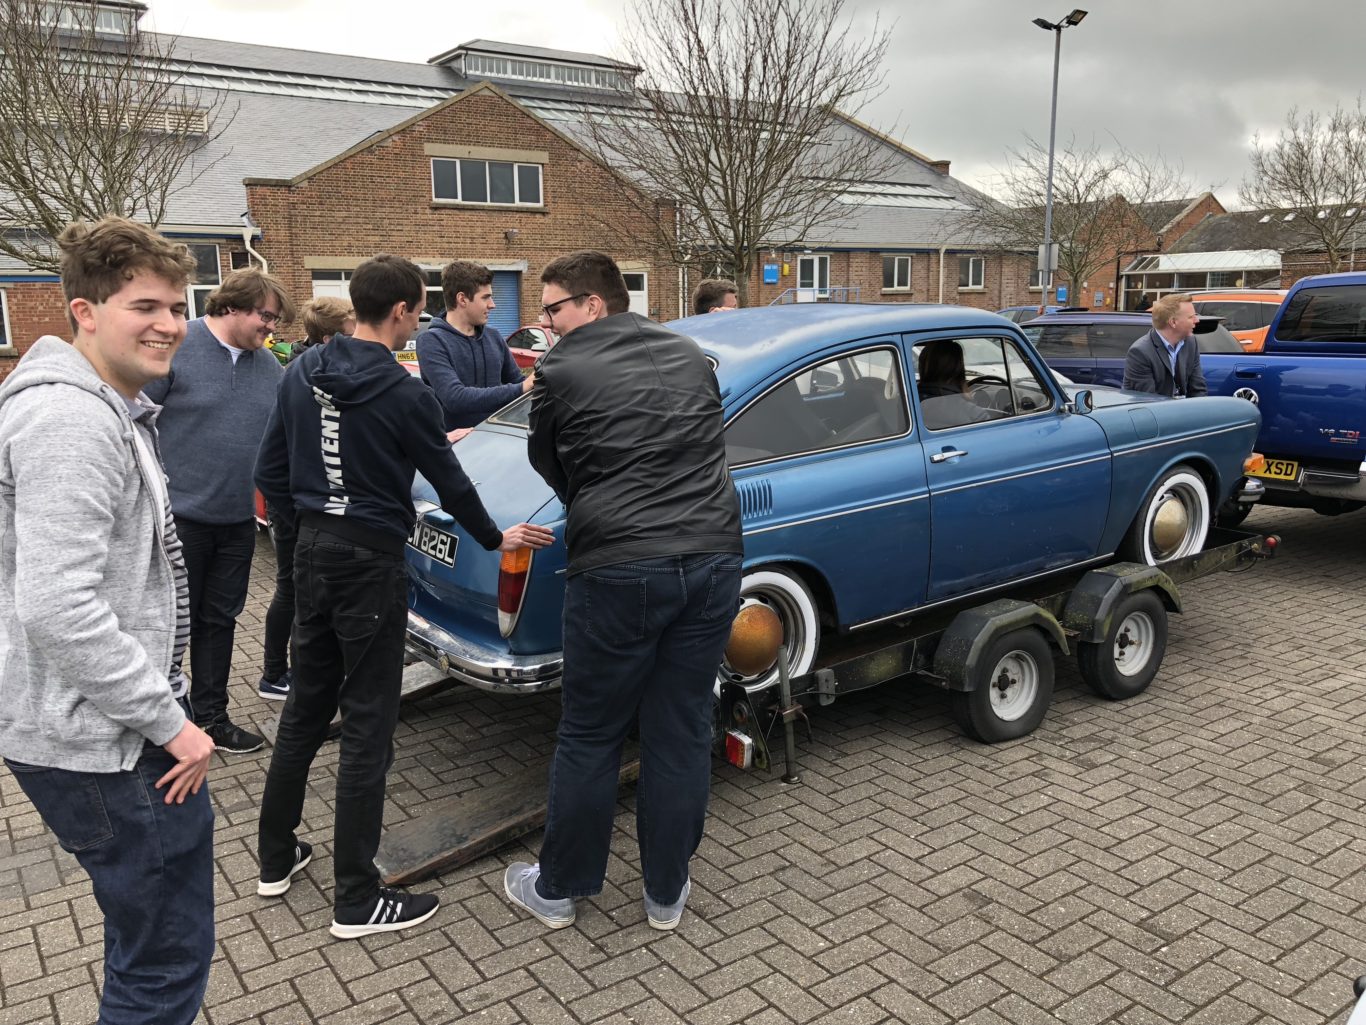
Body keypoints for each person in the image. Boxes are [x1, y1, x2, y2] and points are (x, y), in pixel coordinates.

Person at [254, 254, 553, 939]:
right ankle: (356, 897)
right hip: (368, 563)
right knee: (367, 726)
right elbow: (450, 480)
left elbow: (271, 466)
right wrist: (496, 537)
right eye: (418, 312)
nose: (419, 323)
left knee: (305, 708)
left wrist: (304, 540)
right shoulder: (403, 392)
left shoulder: (301, 370)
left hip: (312, 554)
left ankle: (276, 856)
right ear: (398, 313)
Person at [0, 217, 217, 1024]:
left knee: (146, 942)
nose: (168, 323)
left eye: (177, 304)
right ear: (84, 313)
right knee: (163, 961)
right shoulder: (73, 421)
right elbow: (58, 604)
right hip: (111, 747)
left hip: (108, 730)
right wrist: (173, 723)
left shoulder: (105, 406)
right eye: (144, 306)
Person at [505, 250, 743, 933]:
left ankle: (559, 889)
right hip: (712, 555)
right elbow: (707, 445)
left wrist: (599, 503)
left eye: (552, 309)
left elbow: (549, 459)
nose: (545, 325)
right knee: (680, 727)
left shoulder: (560, 369)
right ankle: (666, 893)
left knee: (590, 730)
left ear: (592, 305)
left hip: (618, 566)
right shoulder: (691, 352)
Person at [143, 267, 296, 753]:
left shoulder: (269, 368)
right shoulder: (176, 349)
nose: (272, 327)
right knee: (166, 623)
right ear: (231, 306)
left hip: (236, 523)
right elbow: (134, 425)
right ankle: (157, 724)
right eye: (266, 316)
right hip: (177, 521)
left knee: (220, 621)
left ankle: (212, 718)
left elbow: (289, 438)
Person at [258, 296, 356, 701]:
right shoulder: (306, 375)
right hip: (298, 510)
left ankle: (292, 672)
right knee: (294, 591)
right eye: (352, 323)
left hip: (298, 507)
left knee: (301, 591)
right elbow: (273, 461)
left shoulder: (301, 366)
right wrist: (295, 514)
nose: (358, 329)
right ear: (333, 333)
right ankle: (277, 674)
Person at [416, 259, 531, 439]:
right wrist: (521, 387)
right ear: (462, 299)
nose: (492, 304)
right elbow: (455, 398)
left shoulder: (493, 337)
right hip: (458, 451)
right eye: (485, 297)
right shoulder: (432, 341)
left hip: (499, 443)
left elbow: (518, 382)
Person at [1123, 293, 1208, 398]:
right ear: (1173, 322)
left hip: (1183, 411)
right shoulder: (1140, 352)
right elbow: (1147, 402)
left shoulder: (1190, 342)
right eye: (1191, 317)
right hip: (1157, 412)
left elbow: (1198, 390)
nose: (1197, 320)